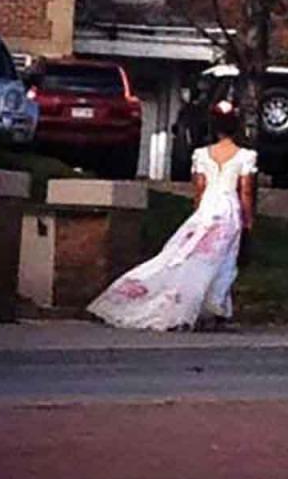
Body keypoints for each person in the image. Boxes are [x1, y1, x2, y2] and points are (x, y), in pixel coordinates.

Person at [87, 100, 256, 332]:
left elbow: (199, 189)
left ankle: (205, 307)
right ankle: (215, 309)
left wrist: (198, 214)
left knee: (184, 256)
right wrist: (248, 220)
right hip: (228, 209)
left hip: (207, 209)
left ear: (214, 126)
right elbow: (245, 191)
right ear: (236, 127)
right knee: (224, 261)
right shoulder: (245, 156)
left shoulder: (201, 155)